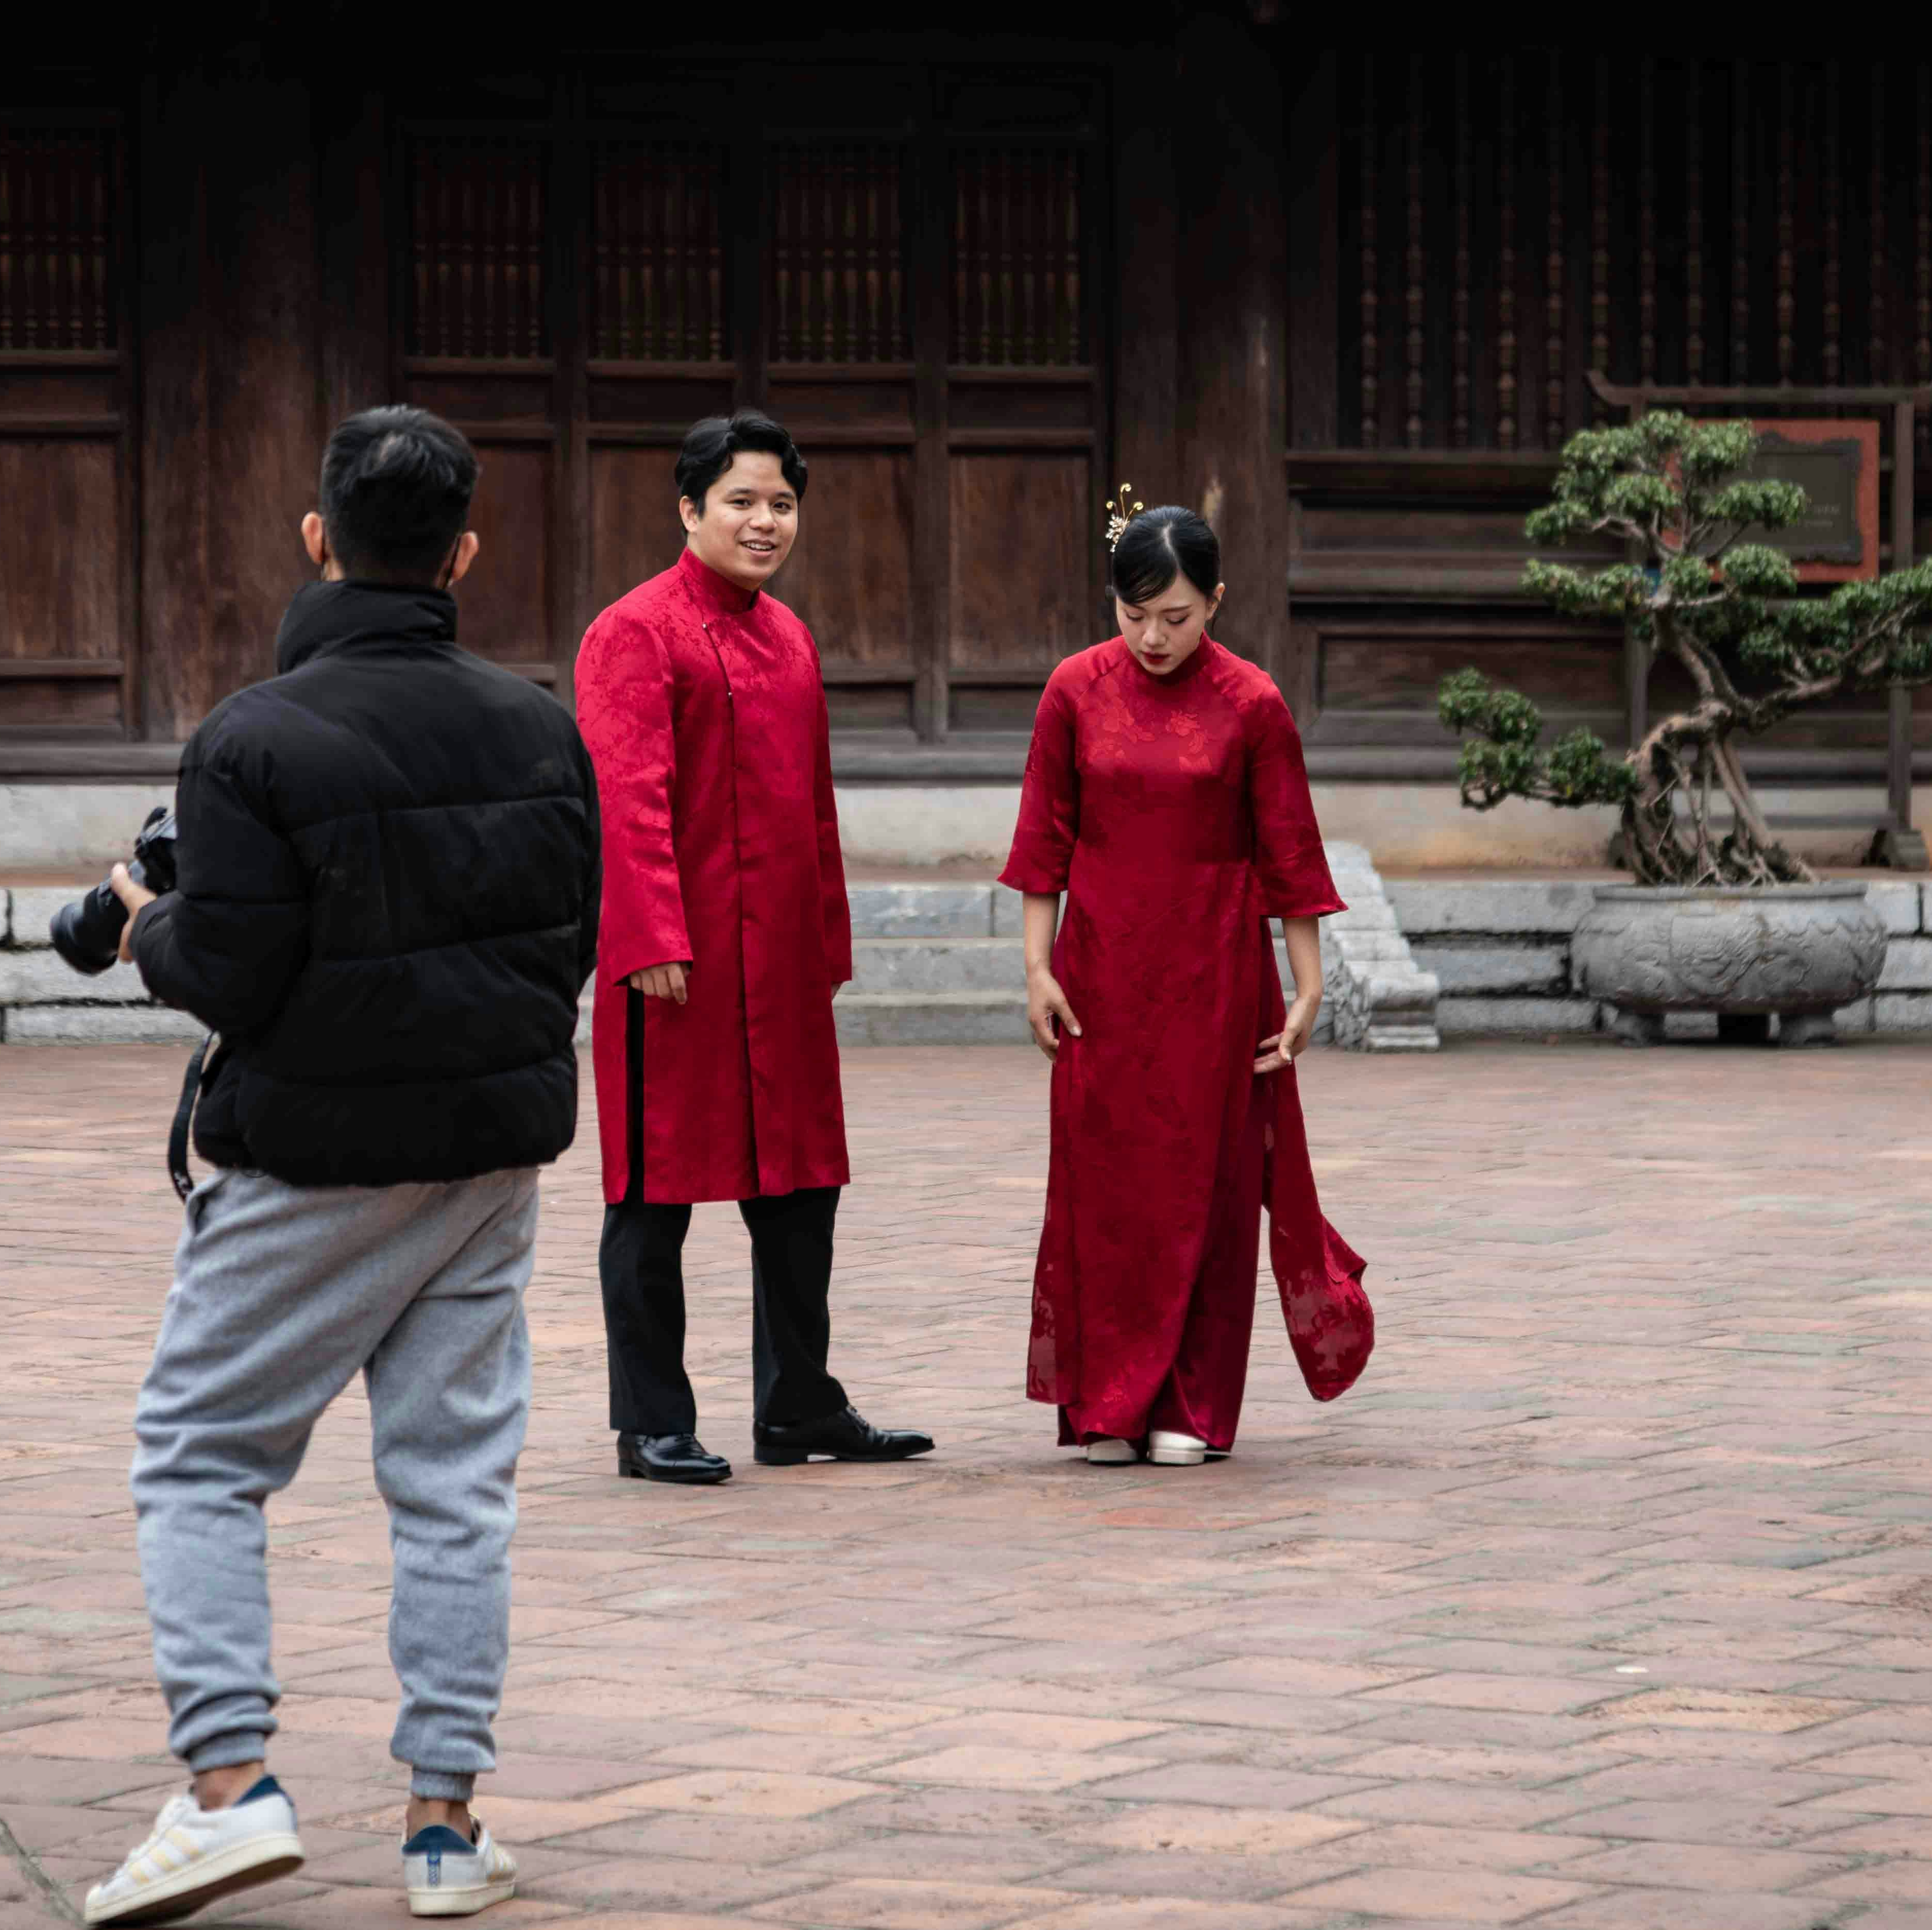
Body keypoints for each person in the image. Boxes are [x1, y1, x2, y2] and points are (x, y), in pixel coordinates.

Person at [81, 406, 597, 1925]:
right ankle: (445, 1827)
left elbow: (231, 968)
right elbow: (563, 941)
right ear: (464, 552)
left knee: (198, 1449)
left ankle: (229, 1787)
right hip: (491, 1158)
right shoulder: (541, 724)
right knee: (453, 1481)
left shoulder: (250, 736)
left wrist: (140, 926)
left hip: (310, 1155)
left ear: (318, 540)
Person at [574, 410, 934, 1485]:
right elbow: (622, 796)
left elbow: (812, 804)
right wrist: (644, 935)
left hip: (775, 961)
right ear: (689, 510)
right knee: (653, 1196)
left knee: (800, 1187)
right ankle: (650, 1420)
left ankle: (798, 1403)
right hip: (673, 967)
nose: (764, 520)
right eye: (740, 500)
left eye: (780, 501)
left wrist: (826, 935)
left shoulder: (790, 634)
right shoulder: (632, 631)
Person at [1002, 500, 1374, 1468]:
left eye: (1175, 616)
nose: (1154, 637)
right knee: (1104, 1187)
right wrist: (1037, 967)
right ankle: (1103, 1406)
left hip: (1214, 970)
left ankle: (1192, 1406)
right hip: (1099, 973)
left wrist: (1305, 987)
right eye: (1134, 616)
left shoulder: (1252, 702)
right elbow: (1044, 842)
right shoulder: (1073, 690)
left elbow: (1289, 853)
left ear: (1215, 601)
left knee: (1208, 1191)